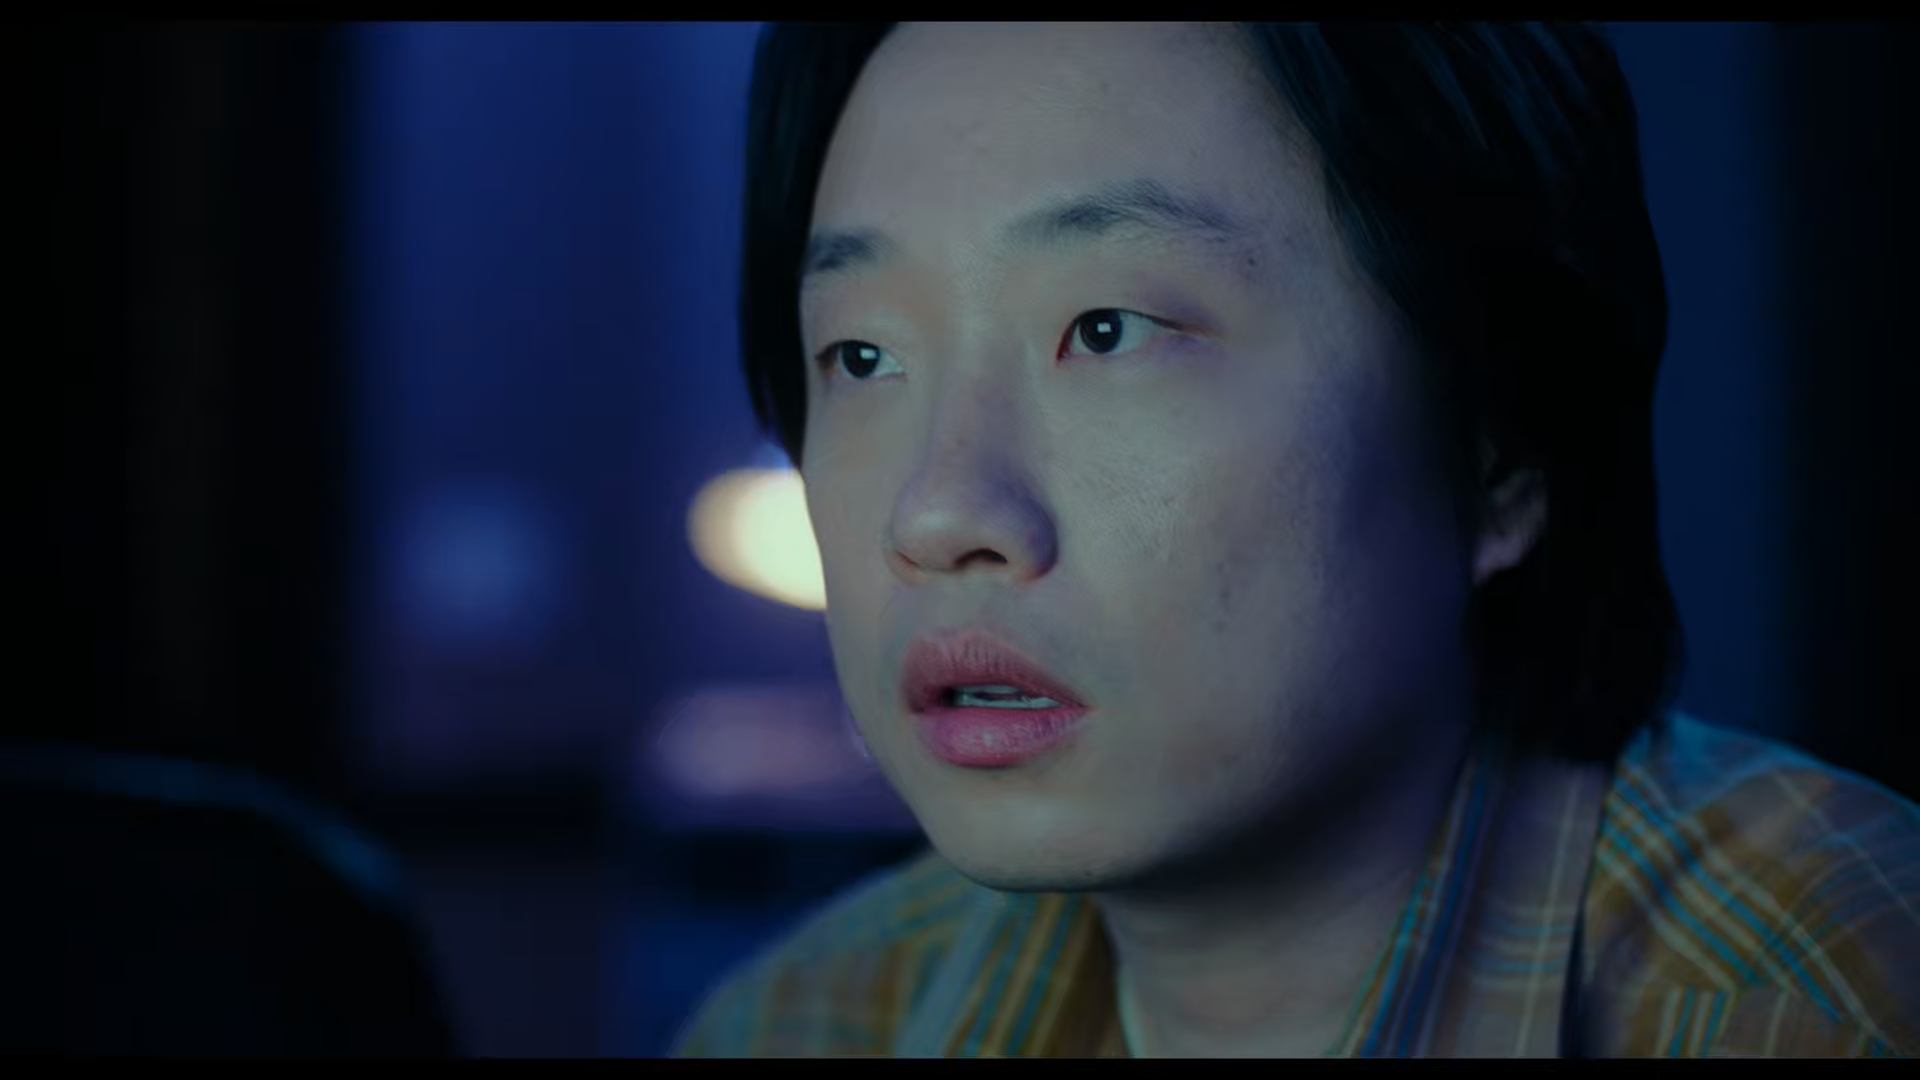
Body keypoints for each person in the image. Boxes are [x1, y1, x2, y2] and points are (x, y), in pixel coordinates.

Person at [672, 22, 1917, 1057]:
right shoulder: (801, 1025)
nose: (939, 514)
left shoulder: (1835, 1000)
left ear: (1498, 453)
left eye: (1107, 329)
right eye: (862, 355)